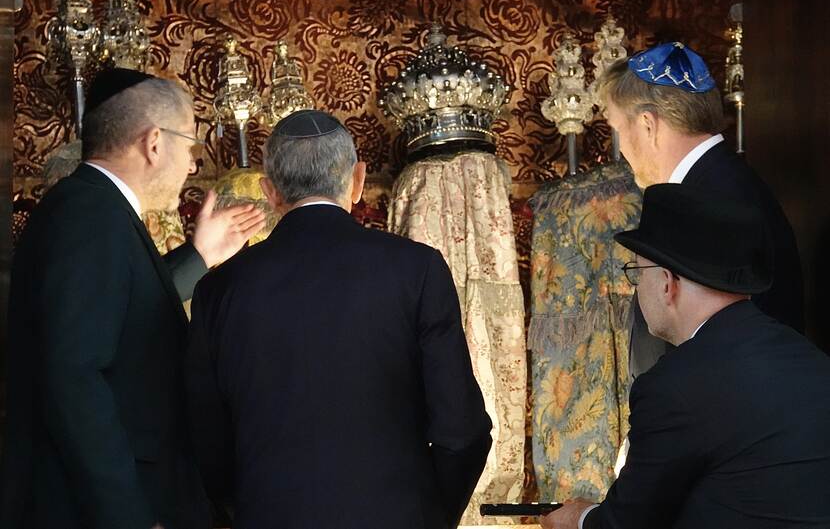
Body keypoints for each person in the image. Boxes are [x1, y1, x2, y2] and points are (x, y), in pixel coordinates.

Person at [184, 109, 492, 529]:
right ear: (358, 181)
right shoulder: (417, 269)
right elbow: (463, 432)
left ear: (270, 192)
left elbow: (206, 442)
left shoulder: (217, 290)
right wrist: (429, 515)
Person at [0, 68, 265, 529]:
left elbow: (121, 308)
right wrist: (127, 516)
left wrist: (200, 256)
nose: (192, 165)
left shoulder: (94, 208)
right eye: (191, 147)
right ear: (155, 142)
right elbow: (74, 376)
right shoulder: (89, 215)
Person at [540, 183, 830, 529]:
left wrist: (578, 518)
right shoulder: (811, 360)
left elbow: (626, 524)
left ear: (666, 283)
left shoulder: (674, 387)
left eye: (636, 273)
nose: (637, 290)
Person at [597, 42, 805, 378]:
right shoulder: (719, 185)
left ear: (648, 125)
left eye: (621, 130)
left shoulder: (716, 200)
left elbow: (731, 349)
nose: (623, 151)